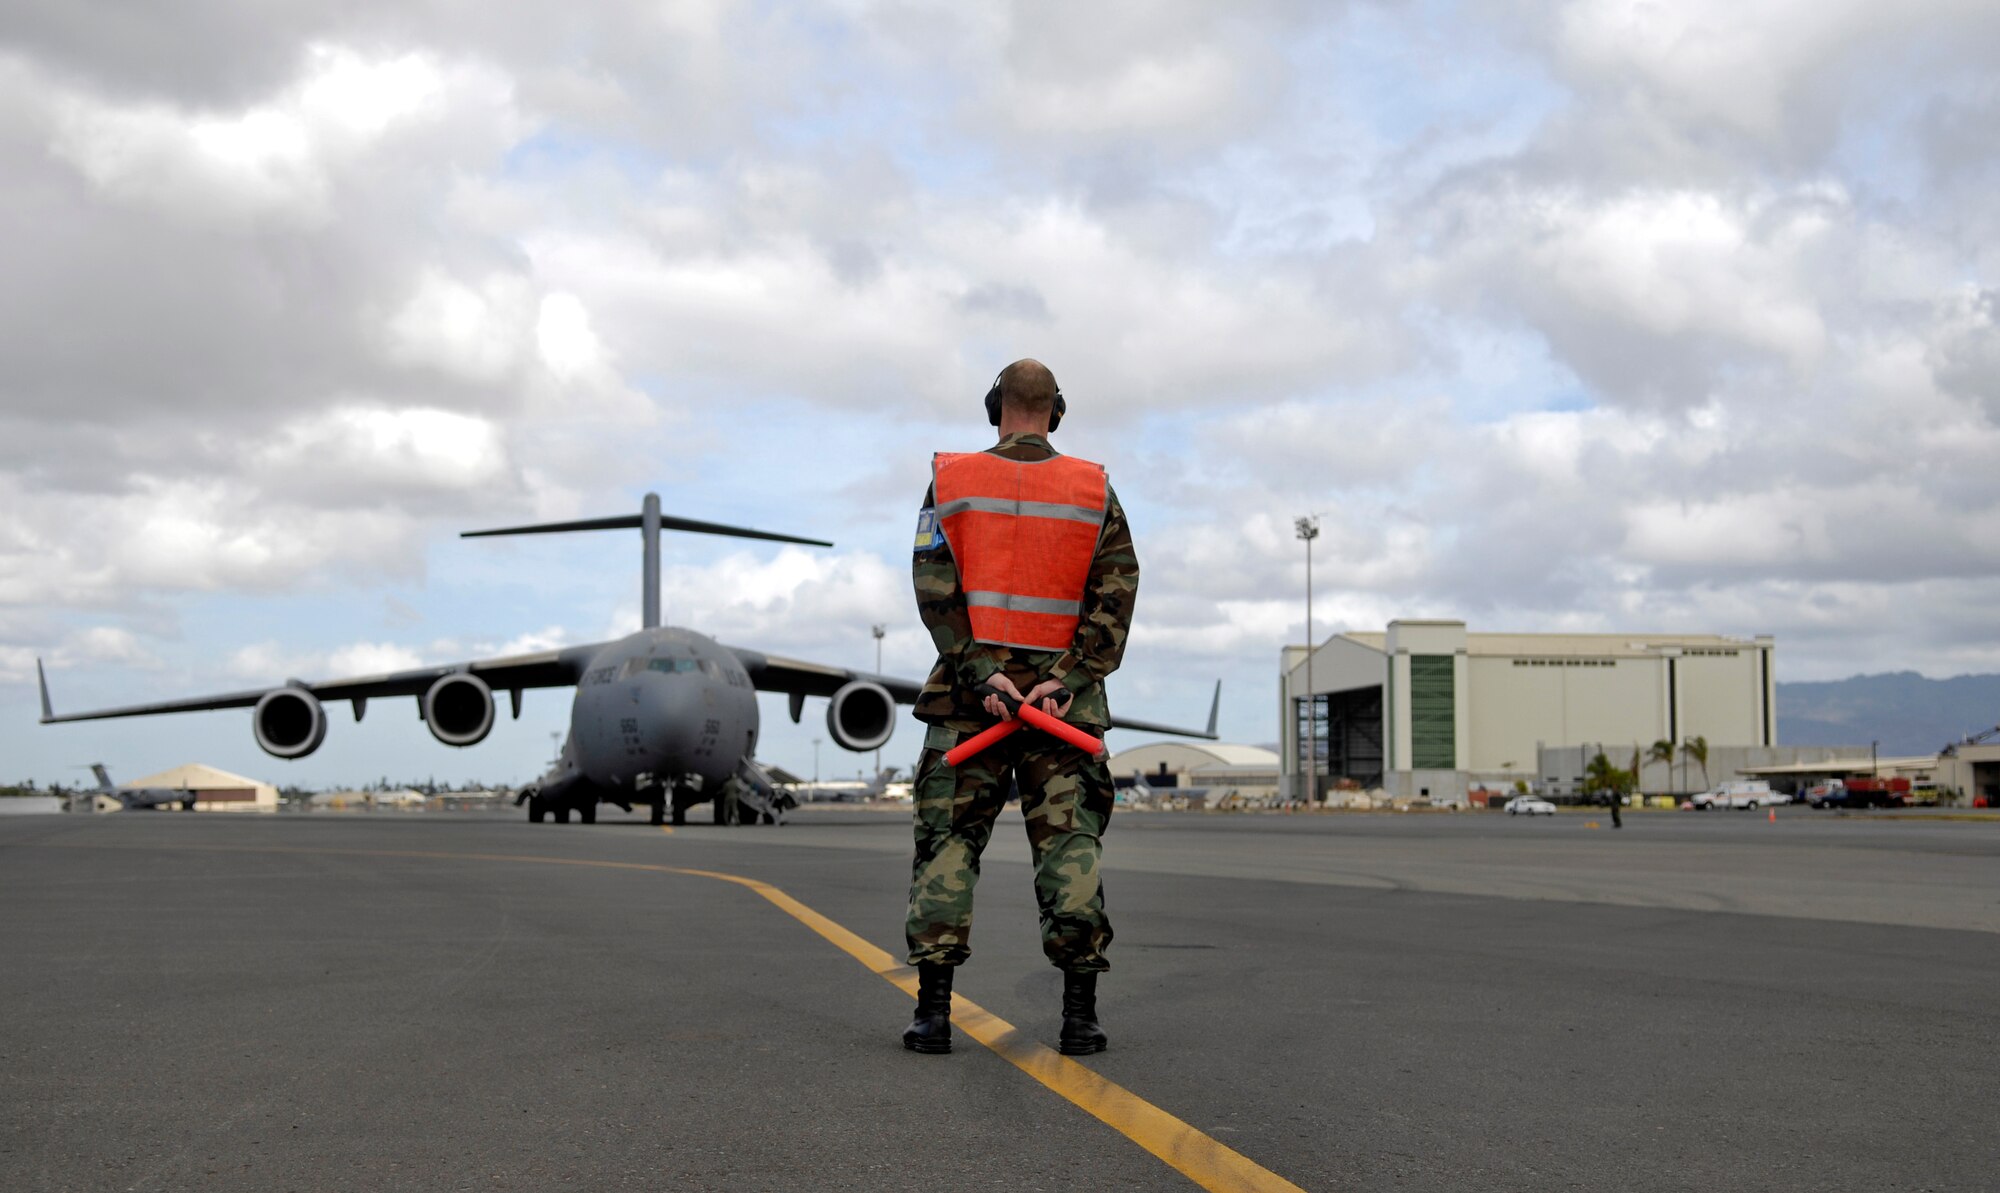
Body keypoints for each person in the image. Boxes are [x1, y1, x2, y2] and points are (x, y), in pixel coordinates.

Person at [900, 358, 1138, 1057]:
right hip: (1061, 713)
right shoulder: (1093, 488)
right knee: (1070, 851)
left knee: (946, 846)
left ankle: (933, 1015)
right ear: (1056, 410)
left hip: (971, 705)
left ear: (993, 406)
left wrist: (981, 673)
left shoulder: (952, 479)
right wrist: (1065, 676)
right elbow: (1116, 594)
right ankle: (1079, 1019)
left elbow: (931, 582)